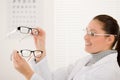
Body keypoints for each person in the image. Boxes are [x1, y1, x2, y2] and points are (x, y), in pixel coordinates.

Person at [12, 14, 120, 80]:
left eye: (92, 33)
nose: (85, 37)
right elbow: (51, 78)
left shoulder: (108, 71)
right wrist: (41, 46)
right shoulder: (85, 61)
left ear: (109, 39)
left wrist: (28, 74)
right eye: (86, 31)